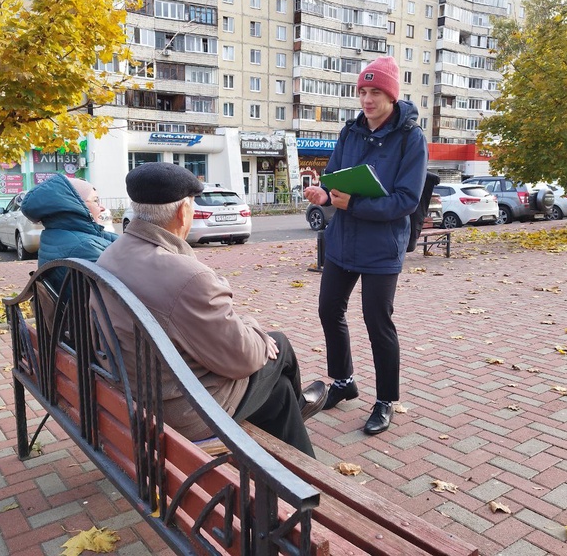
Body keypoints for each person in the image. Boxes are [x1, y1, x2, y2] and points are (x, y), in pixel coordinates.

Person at [96, 162, 326, 457]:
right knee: (278, 345)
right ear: (183, 212)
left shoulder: (112, 253)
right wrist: (254, 327)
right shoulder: (188, 276)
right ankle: (303, 441)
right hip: (182, 411)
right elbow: (241, 359)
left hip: (132, 388)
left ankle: (297, 438)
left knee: (278, 393)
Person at [304, 56, 428, 435]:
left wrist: (353, 203)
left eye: (376, 91)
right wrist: (323, 194)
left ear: (391, 96)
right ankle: (344, 382)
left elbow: (407, 199)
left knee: (378, 323)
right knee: (329, 310)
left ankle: (386, 400)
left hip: (381, 246)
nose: (367, 99)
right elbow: (335, 177)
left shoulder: (410, 138)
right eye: (362, 91)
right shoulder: (350, 132)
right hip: (343, 240)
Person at [21, 174, 118, 290]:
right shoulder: (84, 246)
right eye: (96, 200)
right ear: (77, 206)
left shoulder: (56, 234)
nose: (102, 207)